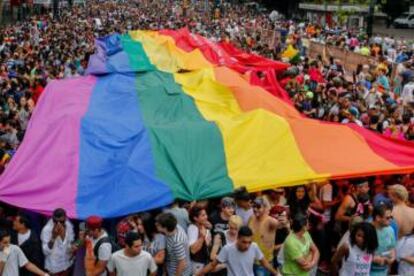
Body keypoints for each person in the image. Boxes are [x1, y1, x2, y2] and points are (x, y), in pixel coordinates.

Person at [198, 226, 277, 276]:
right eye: (244, 242)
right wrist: (199, 274)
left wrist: (277, 274)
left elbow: (265, 263)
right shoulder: (227, 249)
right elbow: (212, 265)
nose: (247, 246)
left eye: (249, 242)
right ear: (238, 238)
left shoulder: (254, 246)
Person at [248, 197, 278, 276]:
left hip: (265, 264)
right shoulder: (251, 218)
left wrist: (285, 223)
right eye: (254, 206)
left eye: (258, 207)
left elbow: (280, 224)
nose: (255, 209)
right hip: (251, 261)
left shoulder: (270, 221)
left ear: (264, 208)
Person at [40, 208, 74, 275]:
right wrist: (53, 237)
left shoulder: (68, 225)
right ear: (52, 218)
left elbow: (70, 243)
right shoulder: (46, 230)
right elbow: (45, 252)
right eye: (55, 221)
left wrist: (72, 247)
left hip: (66, 265)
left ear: (65, 218)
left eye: (61, 222)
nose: (58, 224)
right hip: (54, 268)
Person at [370, 205, 397, 276]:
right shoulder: (367, 230)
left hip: (384, 271)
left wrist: (393, 257)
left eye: (391, 217)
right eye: (387, 218)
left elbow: (392, 248)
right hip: (368, 271)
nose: (390, 219)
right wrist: (373, 258)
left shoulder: (390, 230)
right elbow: (356, 252)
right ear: (378, 218)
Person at [188, 206, 212, 273]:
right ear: (195, 218)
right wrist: (202, 237)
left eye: (206, 214)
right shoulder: (193, 229)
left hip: (205, 261)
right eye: (203, 215)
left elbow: (207, 244)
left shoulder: (204, 225)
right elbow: (193, 250)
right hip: (197, 263)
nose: (206, 217)